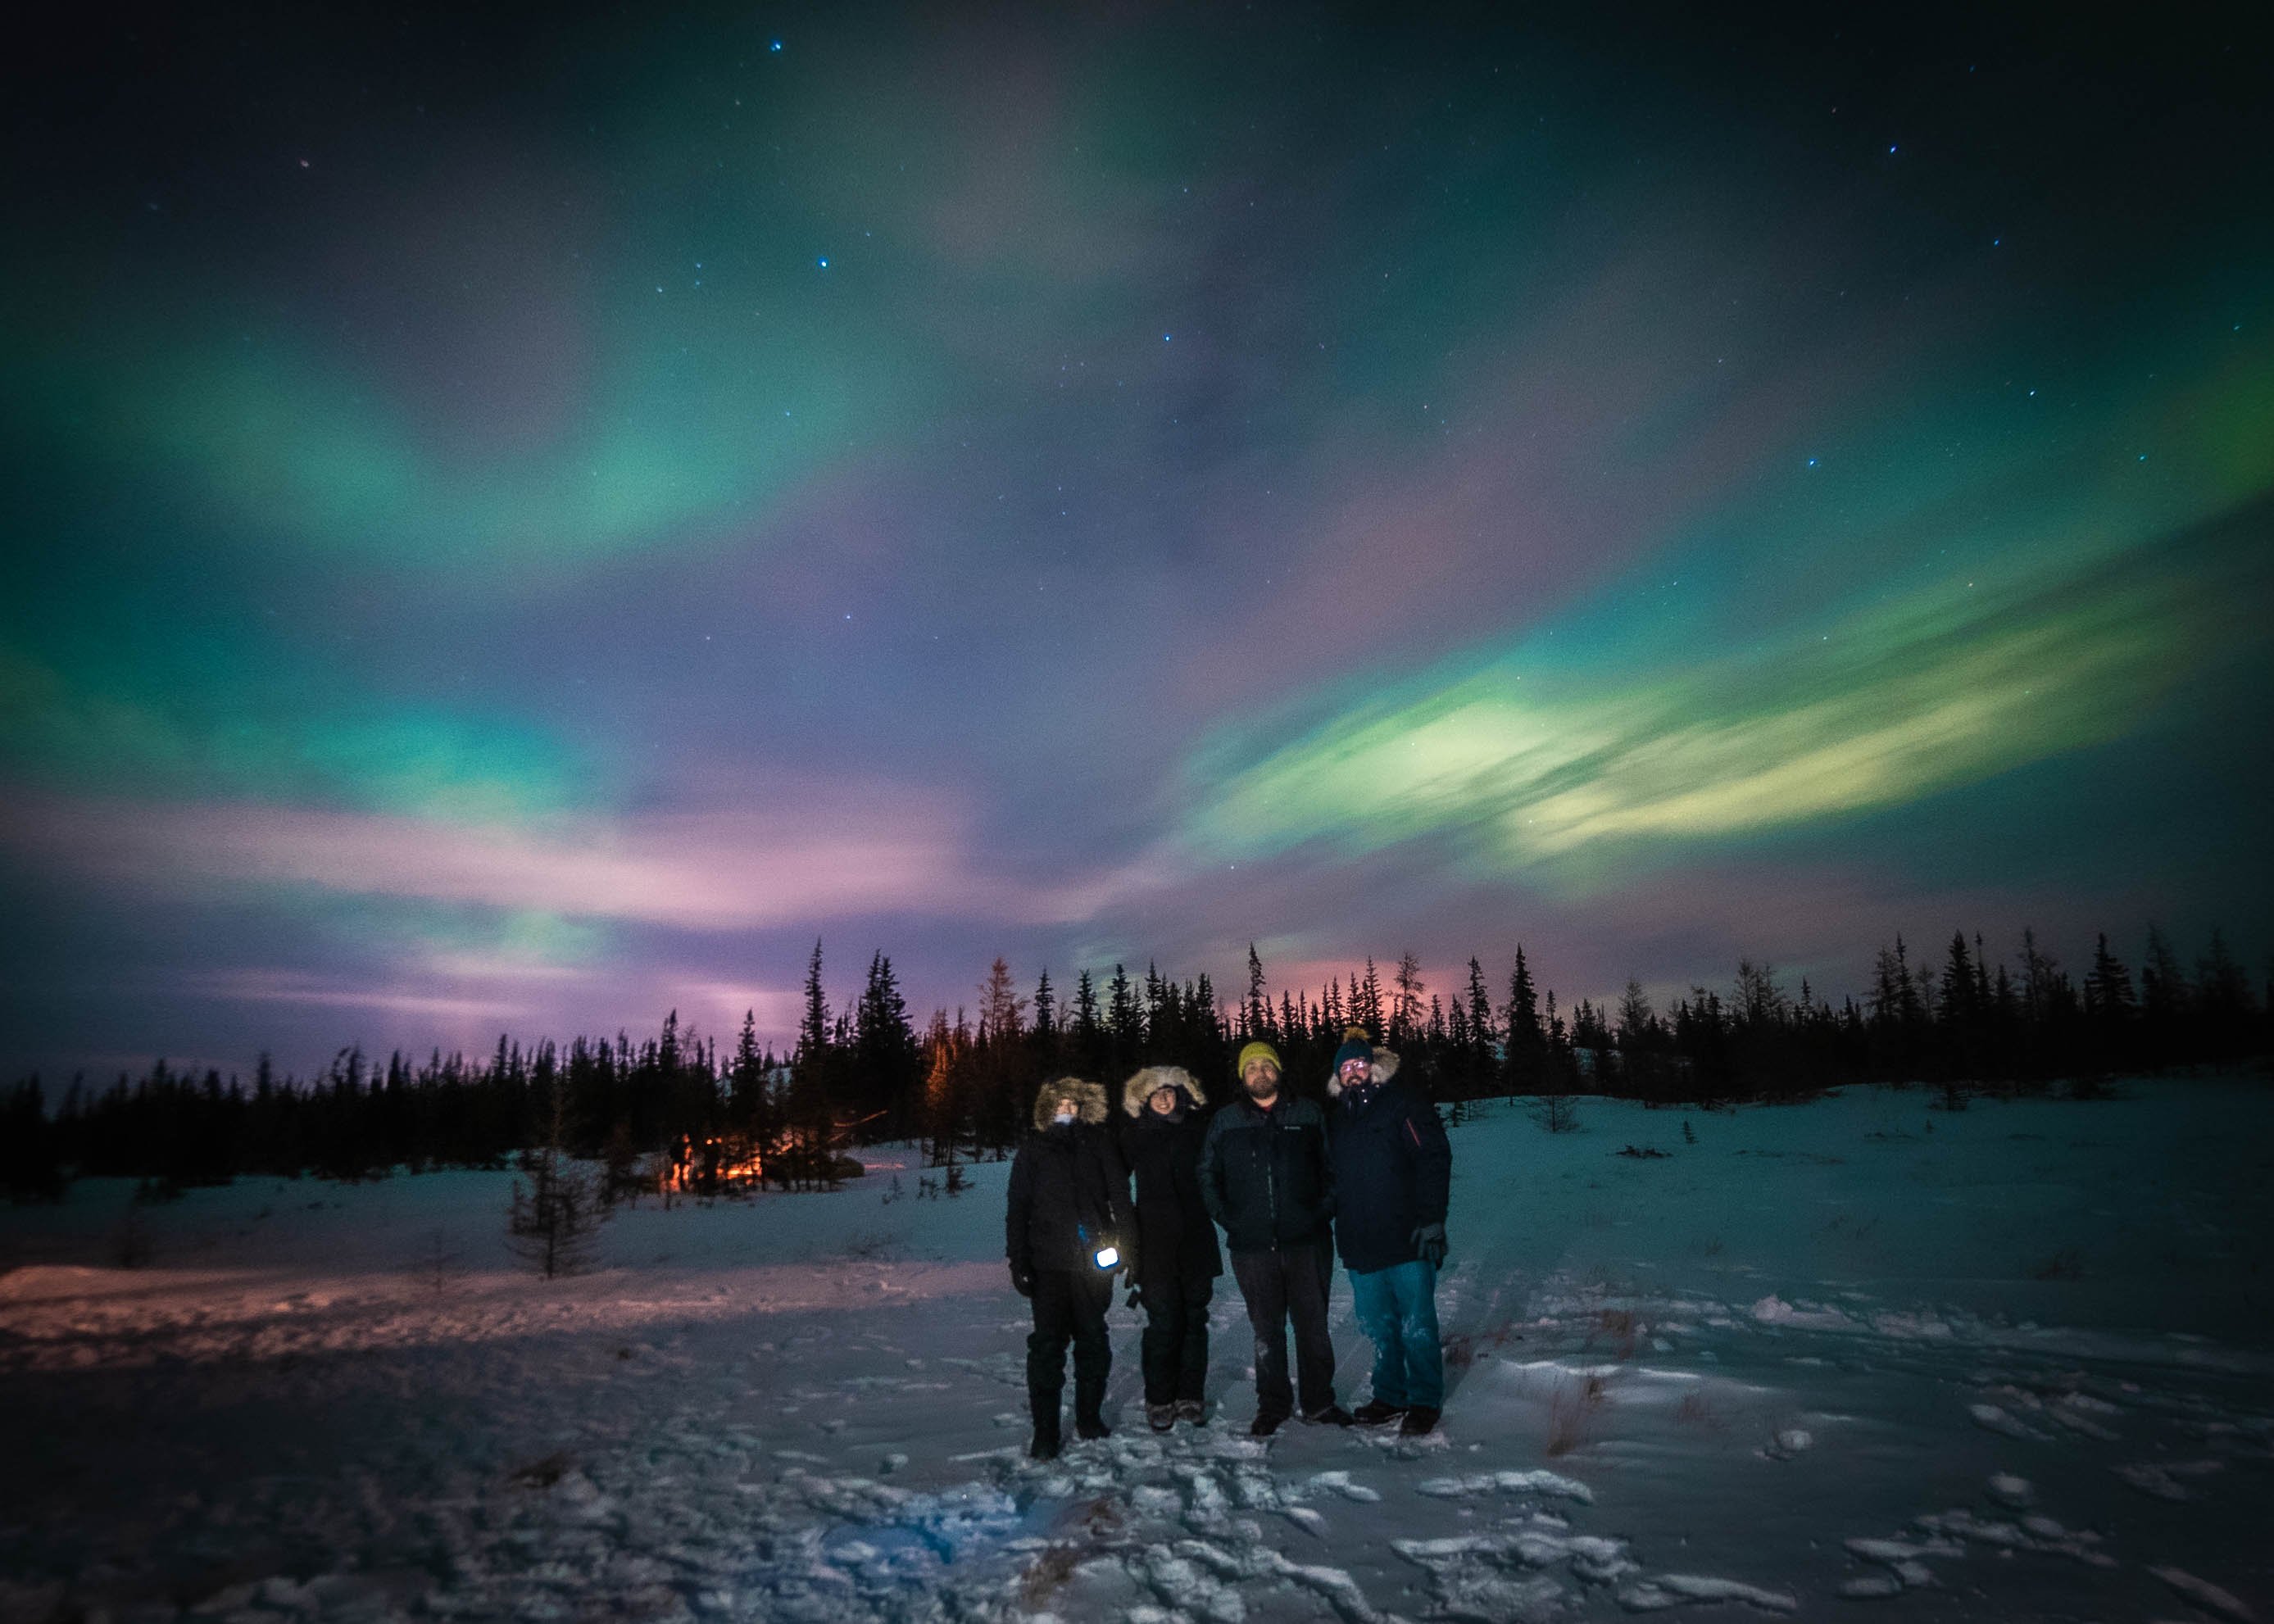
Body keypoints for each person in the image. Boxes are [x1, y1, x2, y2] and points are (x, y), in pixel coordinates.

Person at [1197, 1040, 1351, 1436]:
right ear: (1242, 1077)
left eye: (1266, 1066)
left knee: (1312, 1326)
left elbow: (1334, 1170)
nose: (1260, 1073)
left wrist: (1320, 1212)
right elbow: (1207, 1174)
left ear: (1279, 1071)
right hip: (1252, 1248)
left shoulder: (1307, 1113)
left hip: (1307, 1242)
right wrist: (1229, 1218)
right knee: (1266, 1329)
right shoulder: (1226, 1121)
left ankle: (1319, 1402)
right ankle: (1273, 1405)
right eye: (1251, 1068)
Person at [1325, 1028, 1452, 1436]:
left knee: (1416, 1325)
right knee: (1379, 1326)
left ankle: (1424, 1400)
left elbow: (1433, 1156)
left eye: (1360, 1064)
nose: (1353, 1072)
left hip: (1407, 1239)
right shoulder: (1337, 1119)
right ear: (1338, 1075)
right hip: (1361, 1244)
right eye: (1346, 1067)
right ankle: (1391, 1395)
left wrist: (1432, 1219)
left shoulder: (1401, 1104)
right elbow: (1329, 1179)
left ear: (1373, 1067)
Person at [1005, 1076, 1137, 1461]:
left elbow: (1120, 1198)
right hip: (1048, 1266)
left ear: (1083, 1108)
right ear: (1048, 1109)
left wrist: (1127, 1249)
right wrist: (1019, 1260)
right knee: (1047, 1349)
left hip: (1094, 1265)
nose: (1067, 1111)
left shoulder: (1097, 1144)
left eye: (1073, 1105)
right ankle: (1045, 1432)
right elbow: (1018, 1209)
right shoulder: (1034, 1150)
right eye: (1060, 1105)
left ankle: (1089, 1418)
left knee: (1094, 1341)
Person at [1118, 1064, 1223, 1431]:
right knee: (1163, 1324)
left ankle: (1190, 1395)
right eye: (1157, 1093)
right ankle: (1159, 1398)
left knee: (1195, 1322)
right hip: (1155, 1248)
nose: (1164, 1098)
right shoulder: (1135, 1136)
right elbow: (1113, 1183)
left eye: (1170, 1092)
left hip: (1196, 1243)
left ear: (1180, 1095)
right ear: (1146, 1099)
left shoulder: (1197, 1132)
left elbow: (1219, 1173)